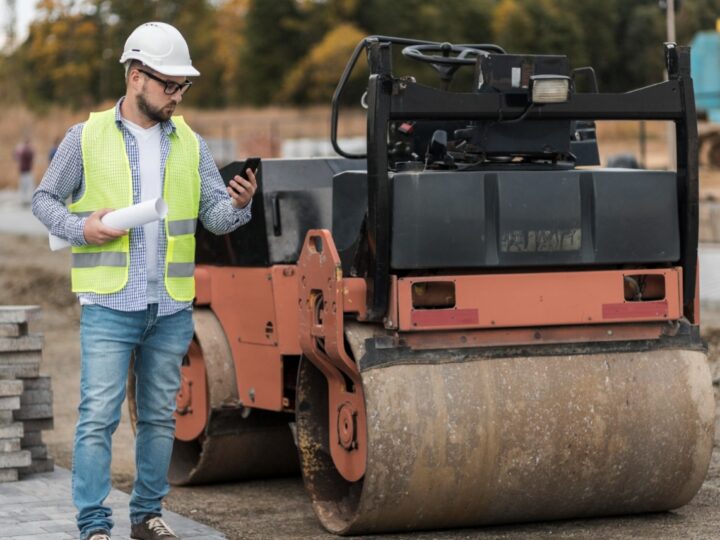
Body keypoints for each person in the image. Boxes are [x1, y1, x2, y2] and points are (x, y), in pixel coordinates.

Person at [32, 22, 257, 540]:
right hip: (110, 303)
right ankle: (93, 525)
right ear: (136, 77)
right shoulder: (83, 137)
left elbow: (214, 219)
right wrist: (79, 228)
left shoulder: (191, 144)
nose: (178, 95)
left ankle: (146, 516)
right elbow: (45, 200)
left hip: (171, 307)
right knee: (97, 419)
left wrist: (238, 205)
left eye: (183, 87)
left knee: (159, 419)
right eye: (169, 85)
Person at [14, 136, 34, 206]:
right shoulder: (26, 150)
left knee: (24, 186)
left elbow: (16, 156)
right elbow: (31, 155)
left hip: (23, 170)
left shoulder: (21, 149)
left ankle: (24, 199)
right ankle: (26, 199)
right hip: (26, 171)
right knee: (27, 185)